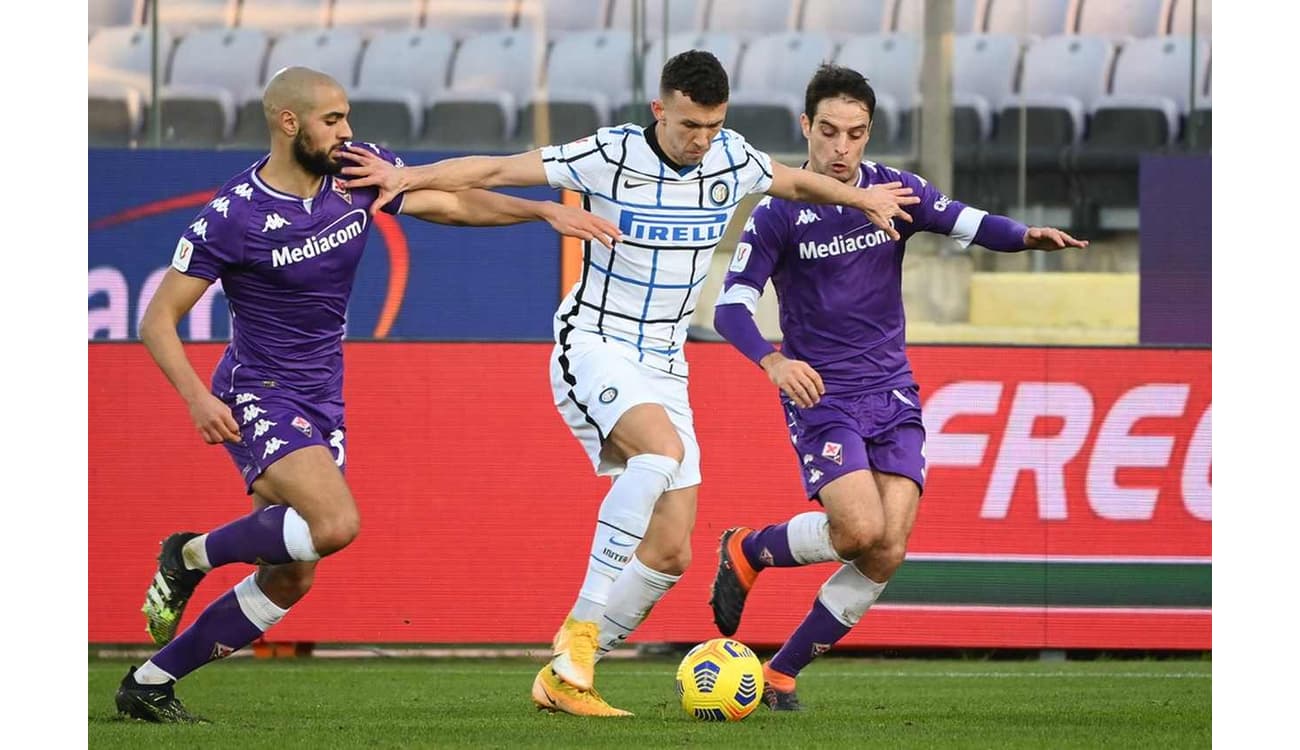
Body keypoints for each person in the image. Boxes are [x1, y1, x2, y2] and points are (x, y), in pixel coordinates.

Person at [338, 50, 920, 717]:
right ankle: (580, 630)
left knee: (672, 551)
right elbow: (496, 169)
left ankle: (565, 678)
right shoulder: (608, 156)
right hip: (595, 340)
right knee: (659, 452)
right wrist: (406, 174)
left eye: (713, 125)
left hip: (666, 363)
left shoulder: (733, 159)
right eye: (689, 125)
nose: (701, 140)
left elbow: (797, 183)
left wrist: (862, 196)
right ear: (660, 110)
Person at [114, 66, 620, 724]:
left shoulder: (357, 172)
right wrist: (194, 399)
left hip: (323, 393)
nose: (347, 131)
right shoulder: (235, 215)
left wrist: (541, 211)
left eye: (348, 117)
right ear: (288, 123)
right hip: (258, 388)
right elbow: (156, 321)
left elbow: (451, 204)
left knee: (292, 572)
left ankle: (148, 683)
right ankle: (190, 554)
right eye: (332, 120)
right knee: (335, 525)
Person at [708, 64, 1089, 711]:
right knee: (857, 530)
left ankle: (780, 674)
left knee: (888, 549)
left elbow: (965, 223)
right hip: (822, 394)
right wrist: (772, 362)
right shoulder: (779, 213)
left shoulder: (894, 191)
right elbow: (730, 308)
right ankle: (748, 549)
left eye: (855, 133)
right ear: (806, 128)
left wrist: (1024, 237)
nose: (840, 148)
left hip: (893, 393)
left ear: (868, 134)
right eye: (828, 131)